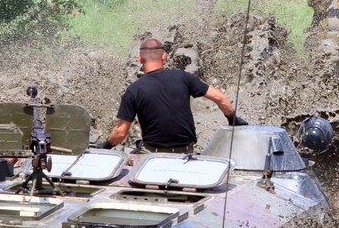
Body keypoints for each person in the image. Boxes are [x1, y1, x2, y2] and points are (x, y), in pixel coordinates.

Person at [99, 38, 247, 153]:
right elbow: (219, 97)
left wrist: (104, 147)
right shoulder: (183, 77)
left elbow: (120, 132)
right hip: (185, 153)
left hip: (152, 155)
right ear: (164, 56)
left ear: (139, 59)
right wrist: (233, 119)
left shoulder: (134, 90)